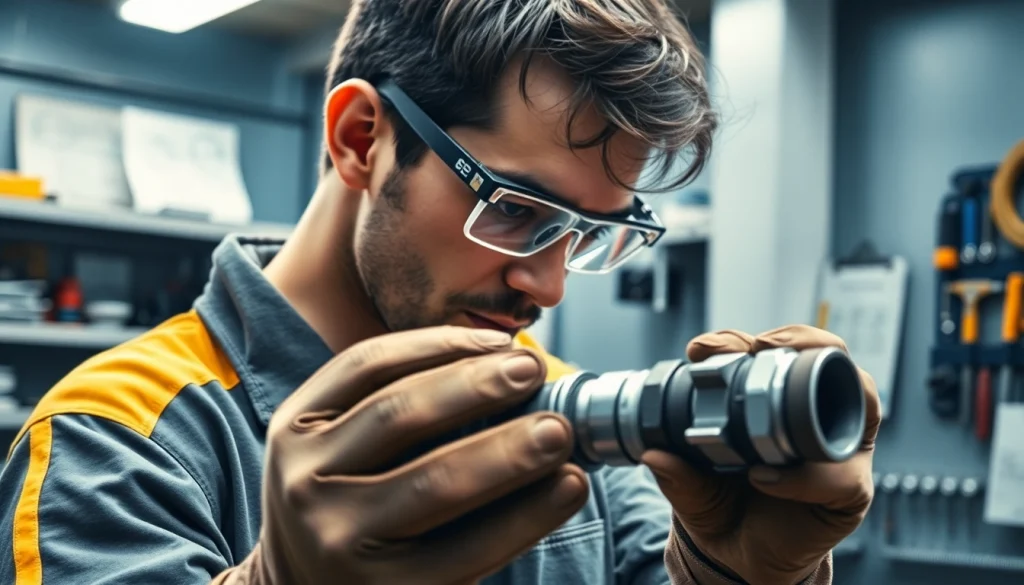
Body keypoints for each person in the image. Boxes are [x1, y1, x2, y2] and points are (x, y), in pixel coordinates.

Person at [0, 1, 881, 584]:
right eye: (517, 211)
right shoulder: (113, 439)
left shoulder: (562, 413)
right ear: (359, 139)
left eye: (589, 234)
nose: (547, 284)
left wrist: (732, 575)